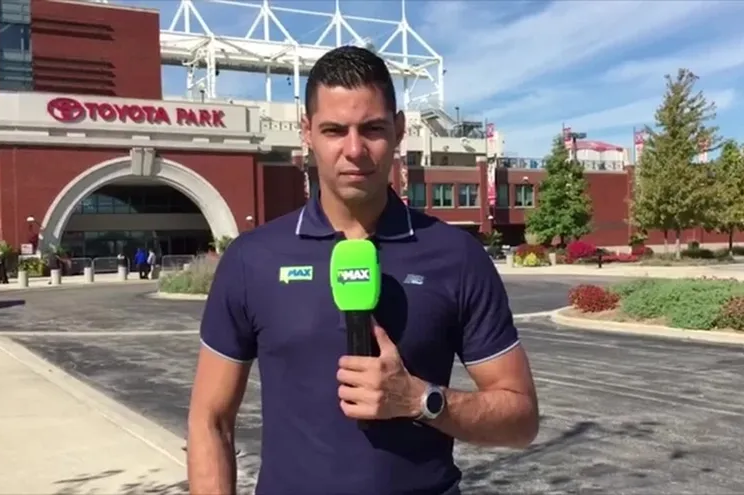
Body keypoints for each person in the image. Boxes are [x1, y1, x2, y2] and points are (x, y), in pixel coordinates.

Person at [187, 46, 539, 495]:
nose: (354, 150)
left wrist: (421, 400)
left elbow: (521, 420)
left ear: (398, 131)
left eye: (372, 129)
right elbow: (210, 420)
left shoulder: (457, 256)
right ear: (307, 133)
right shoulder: (251, 259)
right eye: (335, 130)